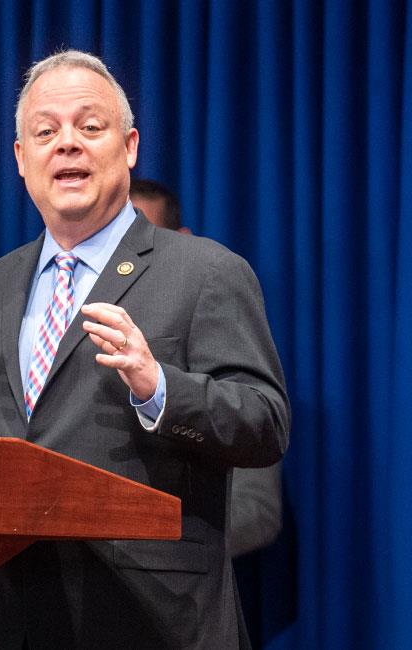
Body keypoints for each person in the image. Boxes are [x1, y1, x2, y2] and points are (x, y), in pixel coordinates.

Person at [0, 50, 289, 649]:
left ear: (130, 146)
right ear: (22, 159)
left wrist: (159, 387)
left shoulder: (205, 273)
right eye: (46, 131)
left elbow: (265, 422)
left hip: (156, 622)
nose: (66, 144)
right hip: (8, 617)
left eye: (90, 127)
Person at [130, 178, 284, 558]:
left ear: (180, 238)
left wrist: (148, 547)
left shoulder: (213, 310)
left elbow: (256, 509)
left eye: (140, 235)